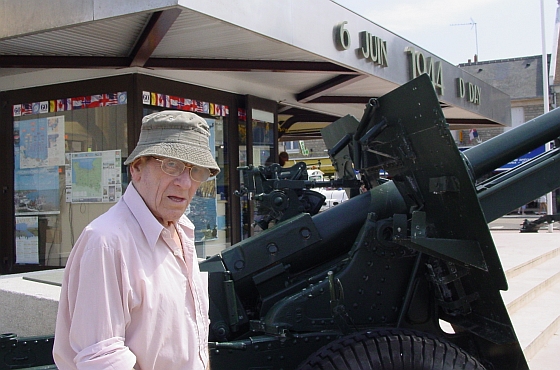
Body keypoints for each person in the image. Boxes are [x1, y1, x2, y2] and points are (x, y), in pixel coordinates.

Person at [53, 110, 220, 370]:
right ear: (137, 168)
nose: (185, 182)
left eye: (196, 170)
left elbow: (194, 338)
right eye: (171, 165)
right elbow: (103, 360)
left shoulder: (183, 229)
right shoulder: (106, 242)